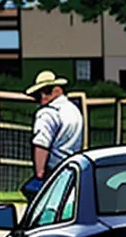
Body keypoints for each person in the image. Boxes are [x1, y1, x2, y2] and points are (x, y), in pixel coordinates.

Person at [24, 70, 84, 199]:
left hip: (53, 170)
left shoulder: (47, 114)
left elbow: (41, 144)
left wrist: (39, 175)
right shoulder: (73, 110)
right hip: (72, 166)